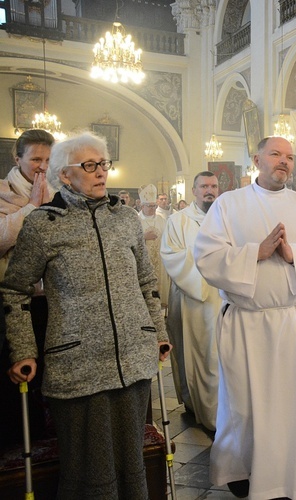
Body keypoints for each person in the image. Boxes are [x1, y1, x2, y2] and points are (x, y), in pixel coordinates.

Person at [4, 131, 170, 498]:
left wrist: (157, 333)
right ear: (65, 175)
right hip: (78, 362)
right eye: (90, 166)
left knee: (132, 462)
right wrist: (23, 350)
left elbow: (146, 282)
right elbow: (14, 291)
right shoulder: (44, 224)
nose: (101, 173)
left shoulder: (125, 219)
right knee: (88, 469)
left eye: (103, 164)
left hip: (132, 357)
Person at [193, 137, 296, 499]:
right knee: (245, 405)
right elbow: (207, 256)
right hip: (247, 323)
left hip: (292, 322)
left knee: (294, 407)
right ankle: (245, 472)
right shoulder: (229, 204)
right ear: (256, 160)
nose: (284, 162)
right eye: (276, 155)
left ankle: (295, 478)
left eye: (289, 157)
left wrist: (294, 256)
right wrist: (255, 253)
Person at [0, 129, 55, 448]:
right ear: (17, 158)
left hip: (50, 300)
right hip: (13, 302)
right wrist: (32, 207)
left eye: (48, 160)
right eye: (36, 159)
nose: (42, 167)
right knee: (19, 376)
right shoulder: (4, 192)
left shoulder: (58, 193)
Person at [160, 171, 222, 431]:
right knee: (193, 352)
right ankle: (194, 405)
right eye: (204, 186)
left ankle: (223, 412)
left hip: (222, 297)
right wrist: (206, 259)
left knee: (220, 356)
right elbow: (171, 256)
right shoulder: (178, 220)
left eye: (214, 186)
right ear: (194, 190)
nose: (210, 190)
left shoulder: (227, 216)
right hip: (190, 297)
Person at [138, 184, 170, 308]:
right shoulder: (136, 220)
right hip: (144, 263)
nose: (152, 209)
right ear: (142, 205)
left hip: (160, 262)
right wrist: (143, 237)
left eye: (154, 206)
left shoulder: (161, 220)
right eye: (149, 206)